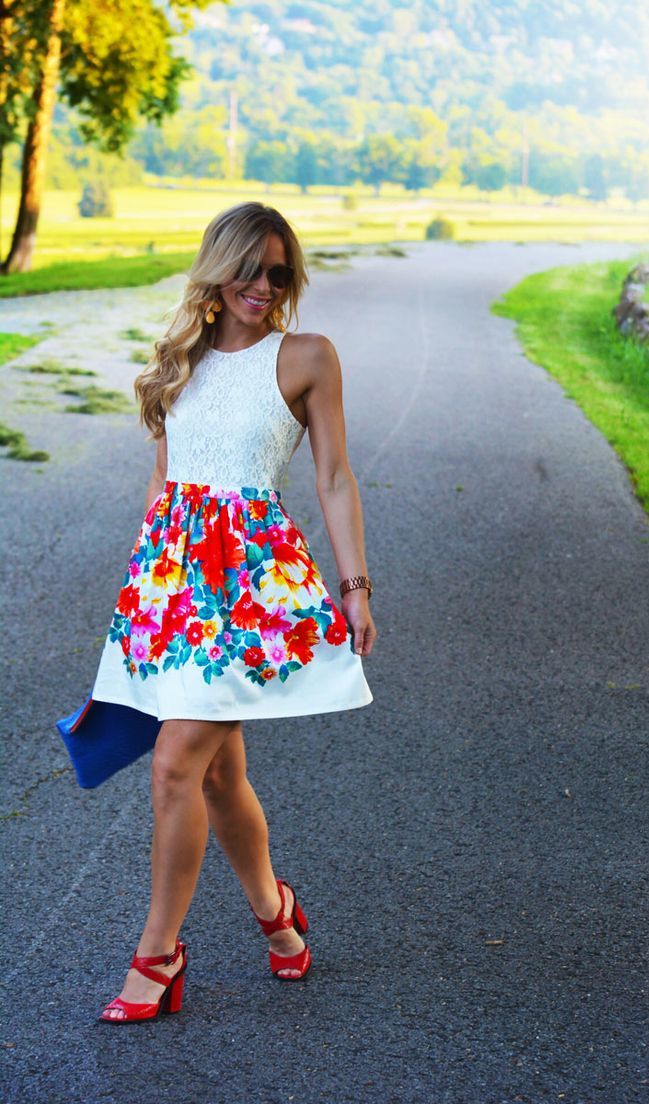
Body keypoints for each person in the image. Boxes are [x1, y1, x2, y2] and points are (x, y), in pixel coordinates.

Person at [85, 201, 376, 1022]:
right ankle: (278, 916)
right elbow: (163, 479)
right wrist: (146, 588)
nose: (264, 286)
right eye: (250, 269)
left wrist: (353, 588)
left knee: (176, 760)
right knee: (219, 773)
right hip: (172, 587)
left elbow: (333, 478)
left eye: (280, 273)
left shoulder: (306, 357)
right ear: (220, 270)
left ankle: (158, 955)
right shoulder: (179, 358)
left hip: (250, 590)